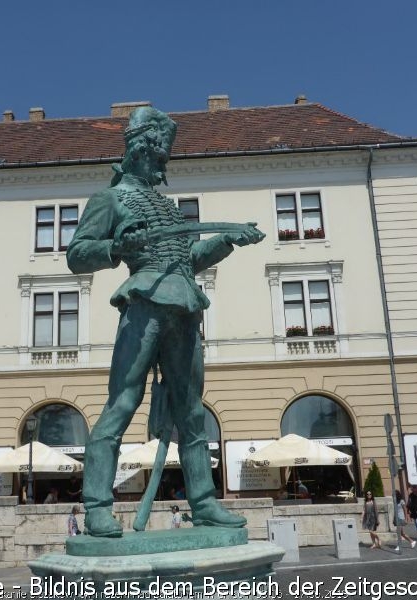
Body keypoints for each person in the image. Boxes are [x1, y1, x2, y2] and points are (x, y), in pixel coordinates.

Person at [66, 106, 263, 537]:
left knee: (191, 413)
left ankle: (205, 503)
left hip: (184, 308)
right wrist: (117, 246)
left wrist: (225, 240)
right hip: (144, 305)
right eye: (159, 159)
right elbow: (77, 254)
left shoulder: (169, 210)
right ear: (141, 153)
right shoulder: (110, 199)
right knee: (122, 403)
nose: (163, 167)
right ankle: (98, 505)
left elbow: (186, 260)